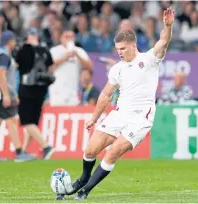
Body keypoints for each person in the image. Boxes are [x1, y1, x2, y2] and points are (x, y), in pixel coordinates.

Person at [65, 8, 175, 200]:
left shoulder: (149, 60)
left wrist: (167, 25)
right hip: (119, 114)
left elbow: (163, 41)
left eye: (123, 49)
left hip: (141, 118)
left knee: (113, 151)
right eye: (117, 50)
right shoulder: (117, 69)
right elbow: (106, 94)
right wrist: (94, 118)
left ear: (133, 46)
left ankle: (85, 190)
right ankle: (84, 178)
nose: (120, 53)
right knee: (90, 150)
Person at [0, 30, 35, 162]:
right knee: (12, 120)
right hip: (2, 92)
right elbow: (1, 73)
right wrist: (7, 95)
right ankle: (19, 151)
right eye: (14, 40)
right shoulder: (4, 55)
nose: (15, 43)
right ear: (9, 41)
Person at [16, 27, 55, 159]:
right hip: (41, 89)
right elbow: (51, 66)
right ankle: (24, 151)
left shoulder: (23, 50)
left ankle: (46, 147)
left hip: (27, 88)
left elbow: (16, 65)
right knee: (32, 122)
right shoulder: (45, 50)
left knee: (26, 121)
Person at [49, 30, 92, 106]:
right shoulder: (54, 50)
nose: (69, 39)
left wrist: (77, 55)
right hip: (57, 91)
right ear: (61, 38)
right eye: (66, 37)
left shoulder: (79, 51)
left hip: (72, 93)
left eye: (72, 37)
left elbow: (90, 67)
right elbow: (49, 67)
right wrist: (64, 58)